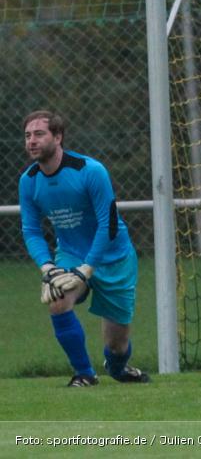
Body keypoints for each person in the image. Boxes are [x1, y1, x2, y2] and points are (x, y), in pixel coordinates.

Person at [19, 110, 150, 387]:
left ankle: (118, 368)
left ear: (58, 137)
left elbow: (109, 224)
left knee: (116, 345)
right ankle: (85, 374)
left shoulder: (90, 171)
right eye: (28, 135)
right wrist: (48, 266)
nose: (32, 141)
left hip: (114, 257)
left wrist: (87, 268)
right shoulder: (28, 181)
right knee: (58, 300)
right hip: (71, 254)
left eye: (39, 134)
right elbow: (31, 230)